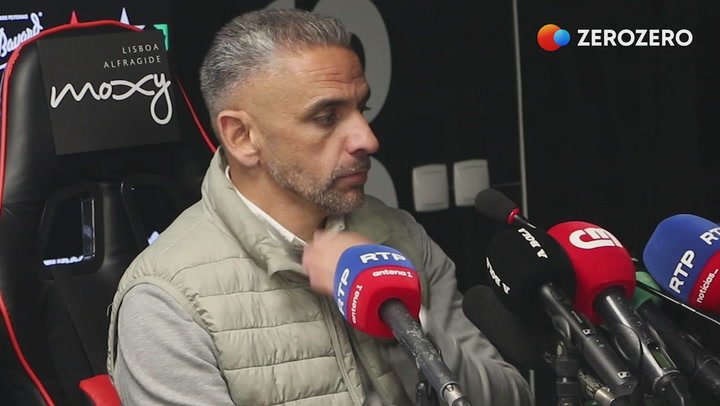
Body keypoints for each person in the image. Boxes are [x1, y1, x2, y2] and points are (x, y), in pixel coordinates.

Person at [107, 8, 531, 406]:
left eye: (361, 109)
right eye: (327, 117)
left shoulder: (400, 236)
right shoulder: (165, 301)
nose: (367, 139)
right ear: (242, 137)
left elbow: (511, 396)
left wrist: (402, 323)